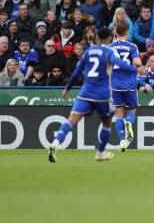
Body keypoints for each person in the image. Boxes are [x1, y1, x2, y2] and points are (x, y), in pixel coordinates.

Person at [47, 27, 143, 163]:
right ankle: (100, 152)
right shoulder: (109, 51)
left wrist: (67, 89)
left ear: (97, 38)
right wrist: (136, 70)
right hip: (103, 94)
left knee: (71, 121)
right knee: (107, 123)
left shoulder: (88, 52)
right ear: (109, 37)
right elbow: (119, 63)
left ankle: (56, 142)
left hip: (85, 92)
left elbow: (77, 72)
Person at [109, 22, 142, 152]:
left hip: (115, 85)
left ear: (115, 32)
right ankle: (129, 122)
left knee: (118, 113)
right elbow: (138, 63)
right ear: (127, 32)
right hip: (129, 84)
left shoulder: (110, 47)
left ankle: (122, 140)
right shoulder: (132, 46)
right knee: (131, 111)